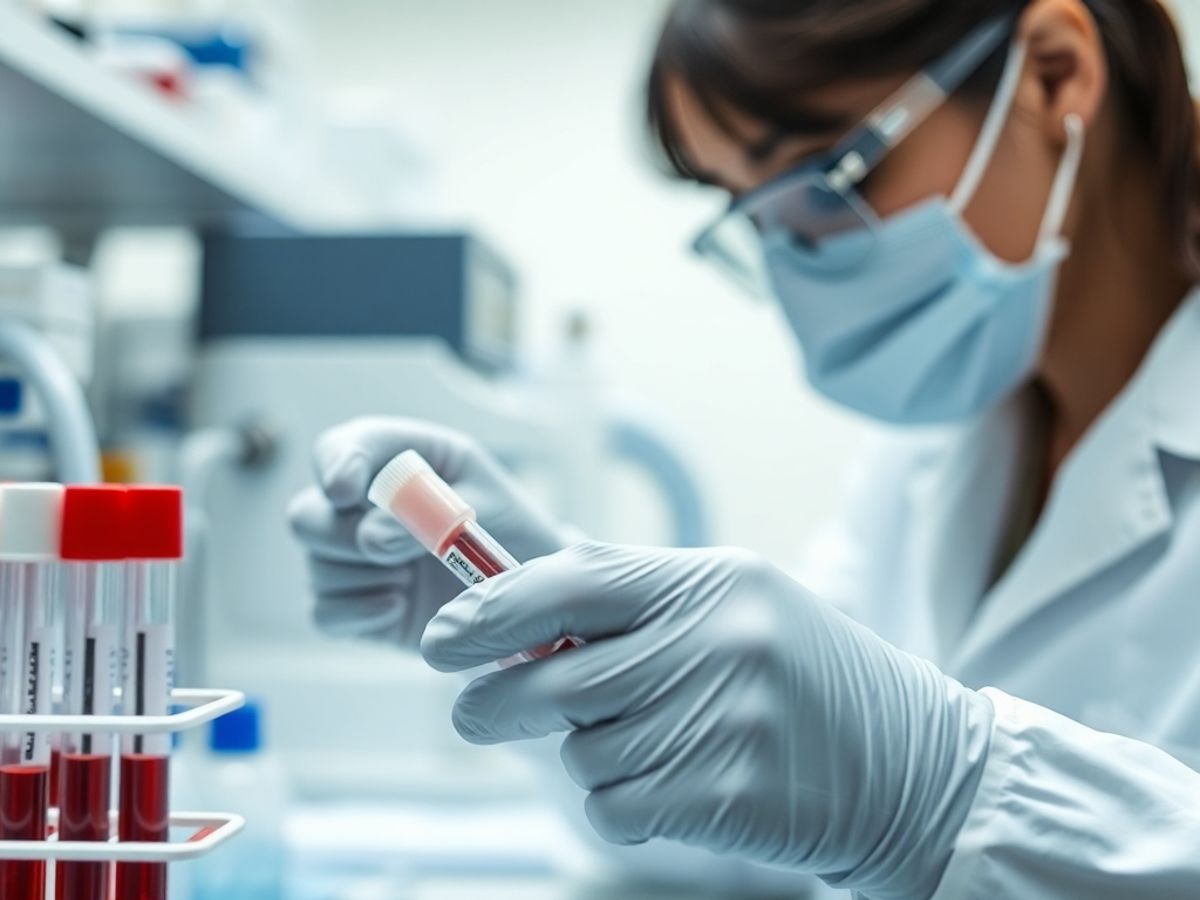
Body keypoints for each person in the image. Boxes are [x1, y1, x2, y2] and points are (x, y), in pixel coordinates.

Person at [288, 0, 1200, 896]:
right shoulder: (929, 457)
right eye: (754, 217)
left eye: (823, 181)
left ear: (1053, 70)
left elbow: (907, 808)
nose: (795, 267)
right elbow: (746, 831)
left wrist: (949, 795)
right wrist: (551, 631)